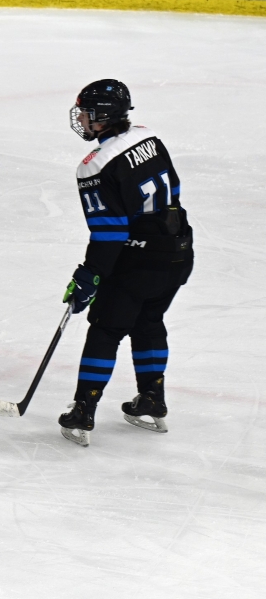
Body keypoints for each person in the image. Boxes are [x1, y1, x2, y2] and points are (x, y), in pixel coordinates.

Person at [57, 79, 192, 446]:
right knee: (149, 321)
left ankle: (83, 411)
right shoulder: (149, 137)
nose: (81, 119)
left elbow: (110, 232)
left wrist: (89, 275)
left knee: (105, 329)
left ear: (101, 117)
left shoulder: (96, 165)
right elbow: (174, 191)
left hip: (139, 261)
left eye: (86, 113)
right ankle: (152, 399)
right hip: (179, 252)